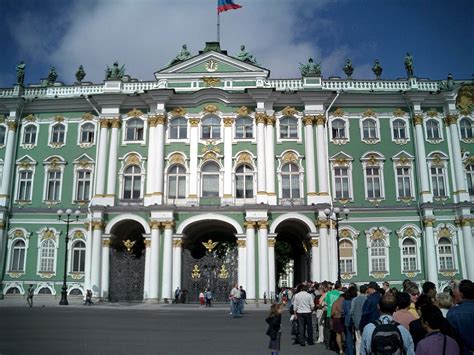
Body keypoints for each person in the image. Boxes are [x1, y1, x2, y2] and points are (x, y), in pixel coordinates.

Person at [447, 279, 474, 354]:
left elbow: (452, 338)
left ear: (461, 294)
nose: (453, 293)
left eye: (455, 291)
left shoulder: (453, 313)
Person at [350, 284, 368, 355]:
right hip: (366, 323)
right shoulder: (367, 299)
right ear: (366, 291)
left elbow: (351, 311)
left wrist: (354, 321)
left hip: (357, 322)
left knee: (358, 340)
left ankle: (358, 353)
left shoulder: (355, 299)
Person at [343, 286, 358, 355]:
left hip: (347, 320)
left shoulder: (345, 301)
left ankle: (349, 352)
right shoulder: (355, 300)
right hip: (355, 319)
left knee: (348, 337)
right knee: (356, 337)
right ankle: (356, 350)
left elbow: (343, 312)